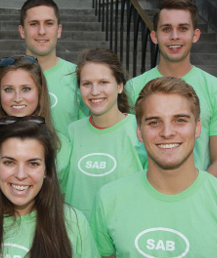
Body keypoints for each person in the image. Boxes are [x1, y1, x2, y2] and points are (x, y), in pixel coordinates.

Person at [91, 77, 217, 257]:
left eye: (180, 120)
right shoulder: (108, 200)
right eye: (154, 122)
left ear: (197, 128)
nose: (167, 132)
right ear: (139, 131)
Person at [0, 118, 100, 257]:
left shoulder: (73, 223)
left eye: (33, 164)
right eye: (9, 162)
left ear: (47, 170)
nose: (21, 174)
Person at [125, 0, 217, 175]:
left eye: (183, 28)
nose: (174, 36)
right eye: (166, 29)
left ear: (195, 35)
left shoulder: (214, 88)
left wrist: (198, 196)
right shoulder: (133, 89)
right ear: (154, 36)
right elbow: (127, 153)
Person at [62, 48, 147, 220]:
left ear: (120, 86)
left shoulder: (140, 130)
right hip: (78, 236)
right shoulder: (72, 132)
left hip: (122, 236)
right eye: (87, 84)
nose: (94, 91)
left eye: (103, 82)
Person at [0, 55, 70, 187]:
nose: (17, 98)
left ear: (39, 92)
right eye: (8, 89)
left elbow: (60, 200)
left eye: (26, 89)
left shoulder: (61, 145)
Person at [18, 0, 88, 136]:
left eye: (49, 23)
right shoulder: (4, 76)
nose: (42, 31)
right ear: (22, 31)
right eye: (34, 24)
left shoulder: (79, 76)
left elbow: (86, 133)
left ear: (59, 30)